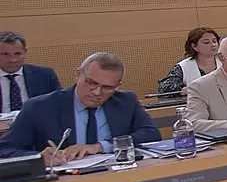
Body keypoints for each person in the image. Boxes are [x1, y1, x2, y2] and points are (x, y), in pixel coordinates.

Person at [0, 52, 160, 161]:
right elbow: (5, 150)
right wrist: (38, 157)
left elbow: (151, 134)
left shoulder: (126, 101)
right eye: (91, 83)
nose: (97, 92)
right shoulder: (39, 107)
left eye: (107, 88)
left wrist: (100, 146)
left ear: (118, 86)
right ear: (78, 75)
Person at [0, 31, 62, 114]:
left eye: (17, 54)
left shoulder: (45, 75)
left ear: (25, 52)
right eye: (5, 54)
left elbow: (60, 103)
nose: (12, 59)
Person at [157, 27, 221, 95]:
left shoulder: (225, 62)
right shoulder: (183, 67)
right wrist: (183, 90)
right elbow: (164, 88)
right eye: (206, 42)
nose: (213, 45)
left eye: (214, 41)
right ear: (194, 46)